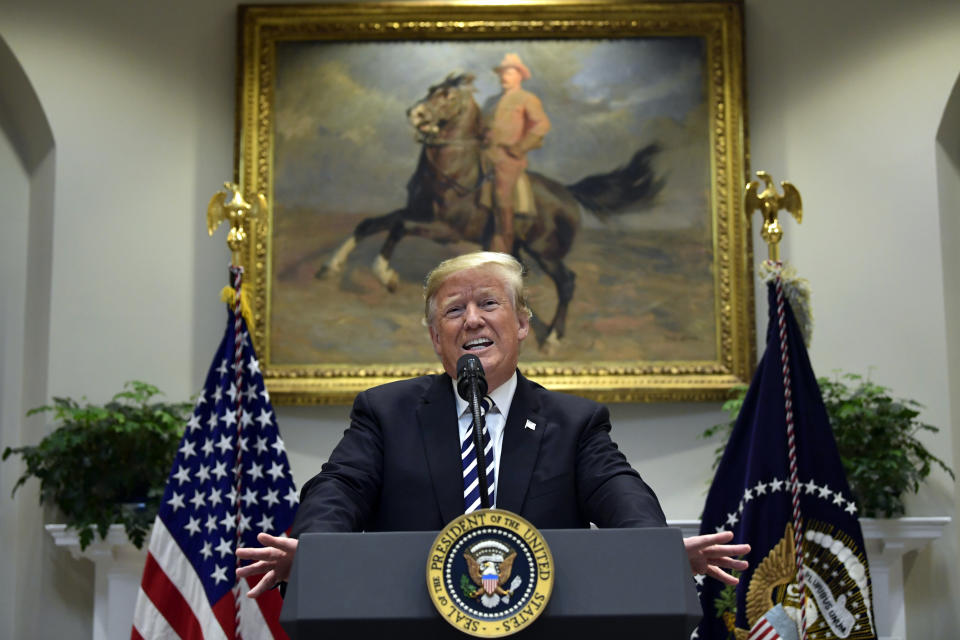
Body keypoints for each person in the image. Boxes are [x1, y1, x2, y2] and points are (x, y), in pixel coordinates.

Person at [237, 251, 749, 597]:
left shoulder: (574, 423)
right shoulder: (385, 413)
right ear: (437, 338)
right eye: (453, 310)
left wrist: (652, 548)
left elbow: (621, 494)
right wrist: (315, 549)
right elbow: (339, 487)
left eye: (488, 303)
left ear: (522, 323)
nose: (473, 320)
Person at [483, 53, 551, 254]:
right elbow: (483, 126)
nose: (504, 77)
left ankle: (504, 247)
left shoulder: (527, 99)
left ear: (520, 76)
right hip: (485, 154)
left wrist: (520, 147)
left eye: (510, 73)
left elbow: (542, 125)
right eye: (502, 73)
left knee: (502, 197)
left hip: (508, 158)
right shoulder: (490, 101)